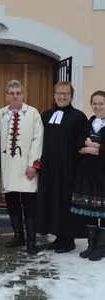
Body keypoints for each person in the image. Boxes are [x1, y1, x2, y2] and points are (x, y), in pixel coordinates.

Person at [36, 81, 88, 253]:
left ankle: (68, 239)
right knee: (52, 200)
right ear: (54, 95)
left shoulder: (79, 117)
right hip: (49, 167)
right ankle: (58, 237)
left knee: (65, 202)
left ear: (71, 96)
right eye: (59, 93)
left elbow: (82, 142)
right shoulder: (45, 115)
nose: (62, 96)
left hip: (68, 168)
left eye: (66, 93)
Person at [0, 80, 44, 255]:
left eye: (18, 93)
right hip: (7, 167)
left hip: (27, 168)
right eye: (11, 93)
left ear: (22, 94)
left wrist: (33, 164)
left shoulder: (32, 113)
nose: (15, 96)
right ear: (7, 95)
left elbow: (38, 140)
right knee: (12, 202)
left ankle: (32, 240)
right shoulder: (0, 114)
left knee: (29, 203)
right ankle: (18, 235)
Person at [70, 90, 105, 261]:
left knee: (103, 211)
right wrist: (89, 148)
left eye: (101, 103)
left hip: (103, 174)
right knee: (91, 210)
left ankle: (101, 247)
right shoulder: (88, 123)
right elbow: (77, 144)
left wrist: (94, 147)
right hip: (88, 173)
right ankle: (91, 245)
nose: (97, 107)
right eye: (95, 103)